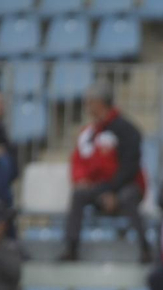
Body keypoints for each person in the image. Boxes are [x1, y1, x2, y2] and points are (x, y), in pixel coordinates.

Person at [64, 84, 148, 262]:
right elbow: (80, 160)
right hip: (102, 188)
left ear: (100, 103)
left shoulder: (127, 130)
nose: (87, 106)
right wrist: (83, 180)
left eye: (90, 102)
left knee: (128, 197)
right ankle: (71, 248)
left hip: (127, 185)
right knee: (79, 194)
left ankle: (145, 248)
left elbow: (129, 168)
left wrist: (111, 192)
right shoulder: (91, 132)